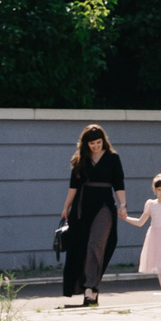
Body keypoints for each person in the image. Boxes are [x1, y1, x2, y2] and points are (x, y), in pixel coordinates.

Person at [60, 125, 126, 307]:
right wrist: (66, 207)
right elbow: (73, 186)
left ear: (103, 141)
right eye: (92, 143)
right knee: (79, 247)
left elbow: (119, 183)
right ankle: (88, 291)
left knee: (96, 243)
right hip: (82, 207)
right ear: (86, 144)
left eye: (98, 142)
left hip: (104, 206)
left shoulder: (113, 158)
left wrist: (123, 205)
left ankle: (91, 287)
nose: (95, 146)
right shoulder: (81, 159)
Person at [123, 174, 161, 301]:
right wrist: (126, 218)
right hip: (155, 238)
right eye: (159, 189)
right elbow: (141, 222)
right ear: (154, 190)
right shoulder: (151, 204)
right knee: (160, 267)